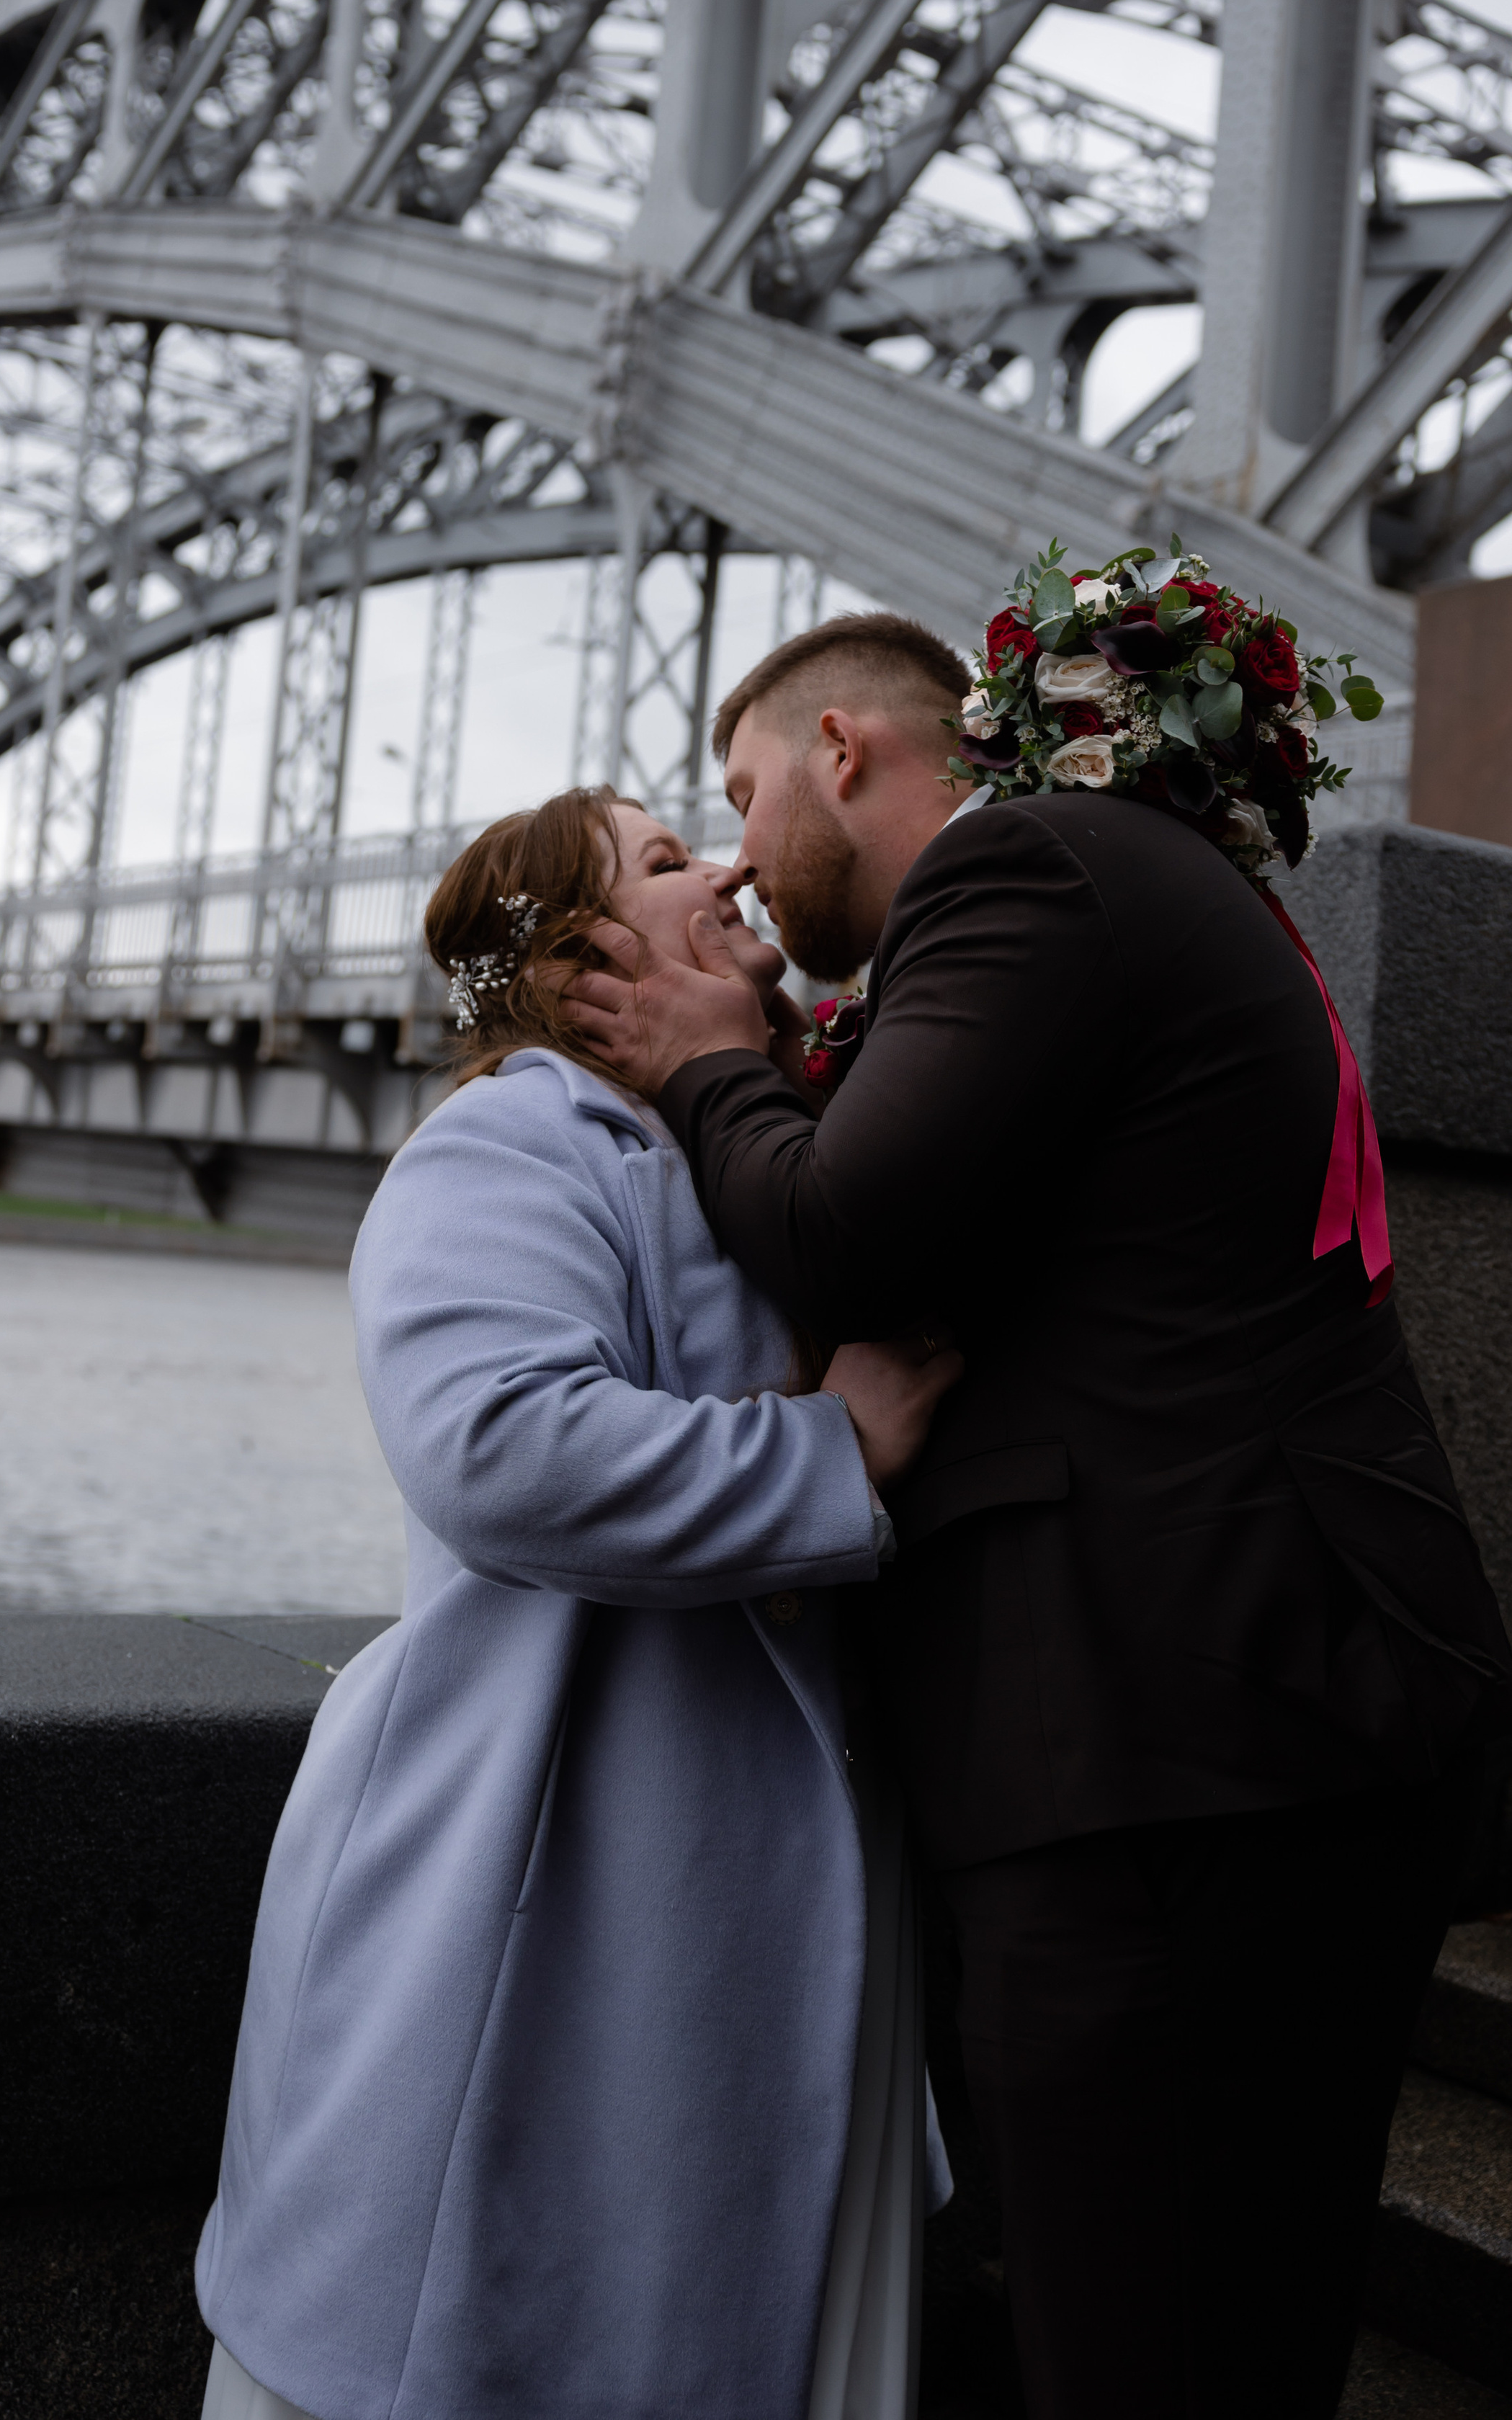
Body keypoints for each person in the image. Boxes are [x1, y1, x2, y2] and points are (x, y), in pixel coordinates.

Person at [565, 605, 1512, 2420]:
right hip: (1237, 1730)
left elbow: (848, 1230)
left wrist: (703, 1062)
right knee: (1219, 2325)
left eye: (745, 801)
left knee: (1129, 2340)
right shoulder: (1089, 891)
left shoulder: (1024, 867)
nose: (744, 874)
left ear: (842, 752)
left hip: (1176, 1741)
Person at [195, 783, 960, 2420]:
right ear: (576, 958)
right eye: (674, 862)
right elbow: (495, 1447)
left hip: (731, 1882)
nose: (739, 865)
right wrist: (835, 1452)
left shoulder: (735, 1139)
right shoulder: (518, 1132)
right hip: (551, 1865)